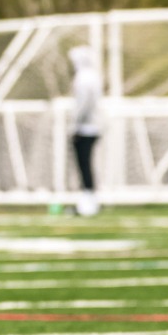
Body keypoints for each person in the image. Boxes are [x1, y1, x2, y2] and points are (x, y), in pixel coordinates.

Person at [68, 46, 103, 218]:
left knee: (84, 166)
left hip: (85, 128)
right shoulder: (94, 77)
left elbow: (83, 104)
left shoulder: (83, 78)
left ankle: (88, 203)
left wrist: (74, 125)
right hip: (94, 127)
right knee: (86, 166)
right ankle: (89, 201)